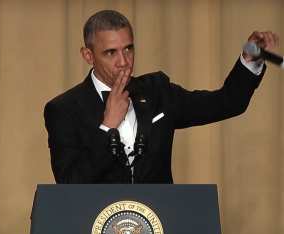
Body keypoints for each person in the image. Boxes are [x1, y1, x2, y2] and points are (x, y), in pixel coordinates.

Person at [44, 10, 278, 184]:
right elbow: (70, 183)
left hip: (159, 227)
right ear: (88, 55)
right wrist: (107, 127)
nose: (124, 61)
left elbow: (227, 103)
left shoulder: (158, 92)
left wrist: (250, 59)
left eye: (128, 49)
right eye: (110, 52)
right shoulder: (64, 109)